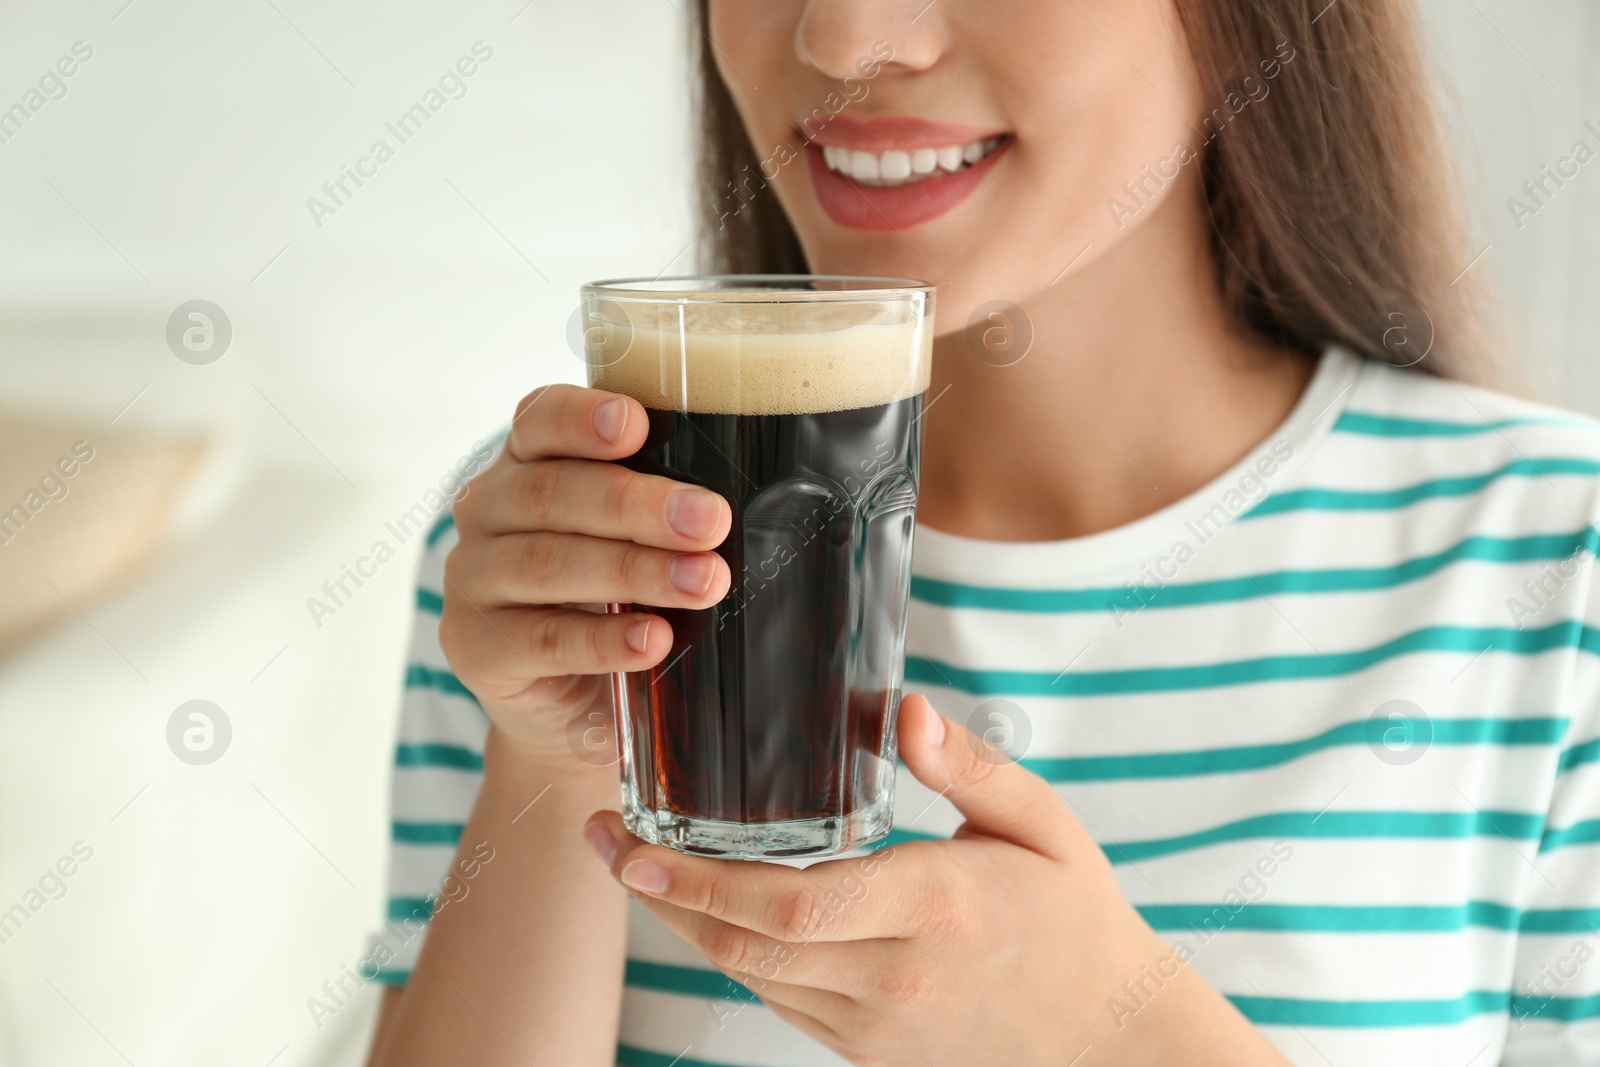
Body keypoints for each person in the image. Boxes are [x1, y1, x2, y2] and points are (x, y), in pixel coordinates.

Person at [364, 1, 1600, 1064]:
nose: (842, 35)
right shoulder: (551, 545)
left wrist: (1118, 1035)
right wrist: (556, 758)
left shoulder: (1556, 563)